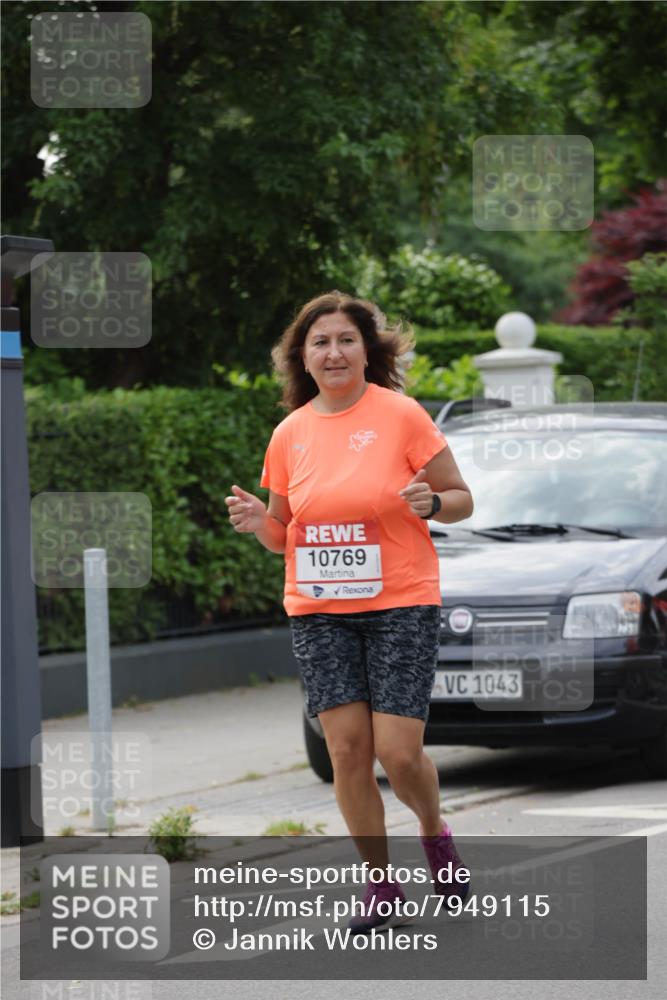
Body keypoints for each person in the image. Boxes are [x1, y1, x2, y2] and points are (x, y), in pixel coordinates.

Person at [225, 291, 474, 934]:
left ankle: (433, 834)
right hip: (318, 609)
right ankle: (379, 885)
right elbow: (284, 532)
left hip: (400, 601)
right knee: (346, 750)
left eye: (345, 340)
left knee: (397, 750)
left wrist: (430, 504)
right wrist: (260, 522)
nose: (333, 352)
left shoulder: (401, 415)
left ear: (367, 350)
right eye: (320, 342)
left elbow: (461, 499)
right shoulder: (290, 433)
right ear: (302, 358)